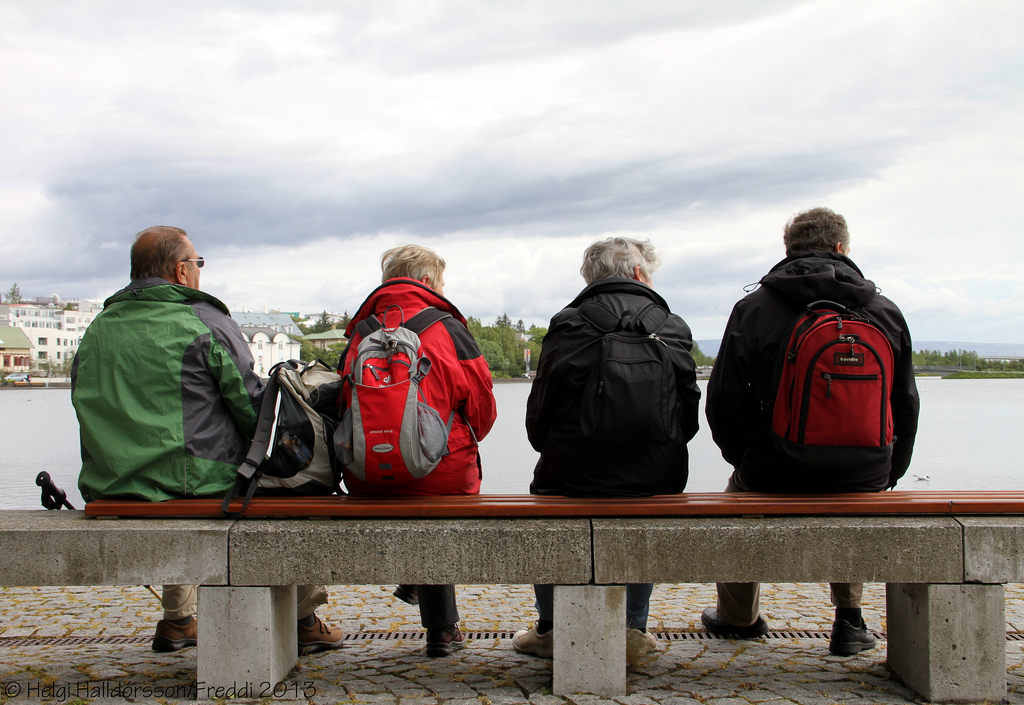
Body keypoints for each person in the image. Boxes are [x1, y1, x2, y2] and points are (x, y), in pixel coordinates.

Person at [72, 226, 343, 654]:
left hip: (112, 483)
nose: (199, 271)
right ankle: (304, 619)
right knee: (279, 489)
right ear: (181, 271)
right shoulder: (203, 321)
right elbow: (256, 412)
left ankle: (178, 619)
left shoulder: (98, 328)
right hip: (193, 483)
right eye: (197, 263)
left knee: (178, 476)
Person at [702, 207, 920, 655]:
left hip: (770, 468)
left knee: (736, 504)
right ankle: (850, 621)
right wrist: (888, 468)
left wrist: (744, 458)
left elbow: (723, 400)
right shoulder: (883, 310)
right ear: (842, 248)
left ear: (788, 250)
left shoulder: (754, 309)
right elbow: (906, 403)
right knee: (852, 499)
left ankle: (738, 618)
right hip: (866, 471)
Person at [512, 236, 701, 663]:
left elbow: (538, 414)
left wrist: (557, 448)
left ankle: (551, 627)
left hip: (573, 474)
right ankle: (632, 629)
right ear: (638, 273)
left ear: (590, 278)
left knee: (547, 497)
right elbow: (688, 417)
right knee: (645, 512)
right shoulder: (672, 325)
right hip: (658, 475)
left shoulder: (568, 323)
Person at [338, 244, 497, 657]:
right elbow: (482, 408)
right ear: (426, 282)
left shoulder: (359, 331)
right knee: (438, 476)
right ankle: (441, 630)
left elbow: (341, 406)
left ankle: (432, 608)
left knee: (414, 483)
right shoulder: (447, 326)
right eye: (441, 282)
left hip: (367, 475)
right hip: (441, 478)